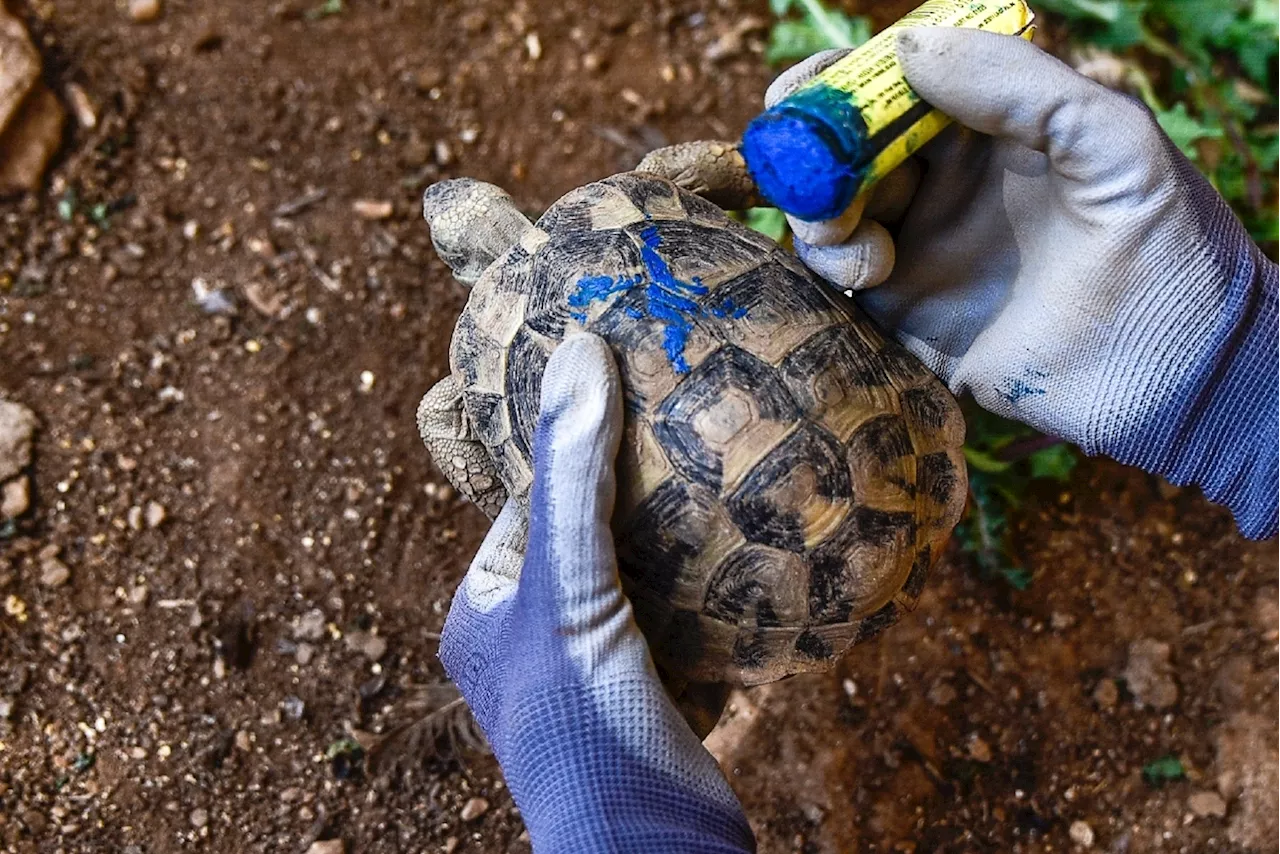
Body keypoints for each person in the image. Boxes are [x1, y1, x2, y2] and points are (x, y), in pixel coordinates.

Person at [435, 28, 1279, 852]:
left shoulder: (477, 363)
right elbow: (688, 176)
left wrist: (1240, 377)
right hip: (866, 457)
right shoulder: (629, 197)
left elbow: (450, 422)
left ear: (463, 260)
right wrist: (1243, 379)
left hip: (731, 597)